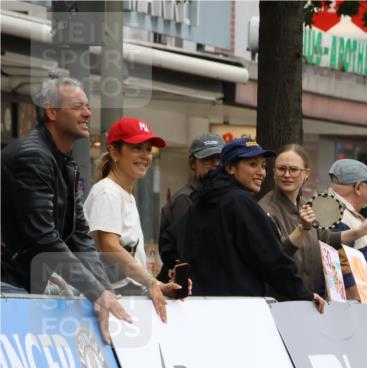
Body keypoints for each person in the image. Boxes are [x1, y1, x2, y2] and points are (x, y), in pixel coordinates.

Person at [1, 76, 131, 343]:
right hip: (7, 284)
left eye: (88, 106)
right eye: (78, 106)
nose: (88, 113)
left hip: (23, 283)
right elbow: (44, 238)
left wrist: (104, 290)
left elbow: (79, 235)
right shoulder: (33, 156)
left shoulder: (63, 161)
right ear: (51, 111)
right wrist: (97, 291)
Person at [177, 137, 324, 310]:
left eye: (263, 165)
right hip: (241, 311)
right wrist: (303, 294)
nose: (261, 172)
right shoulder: (240, 203)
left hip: (199, 308)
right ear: (231, 167)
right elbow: (272, 259)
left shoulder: (199, 203)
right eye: (252, 164)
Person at [86, 117, 183, 323]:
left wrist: (159, 285)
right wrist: (150, 283)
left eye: (148, 149)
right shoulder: (107, 192)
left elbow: (130, 262)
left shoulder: (124, 194)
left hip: (122, 305)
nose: (145, 156)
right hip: (104, 308)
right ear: (114, 152)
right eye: (137, 148)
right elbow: (109, 246)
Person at [257, 144, 367, 302]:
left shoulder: (306, 203)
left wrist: (360, 231)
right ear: (274, 172)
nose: (286, 174)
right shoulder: (265, 210)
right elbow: (274, 257)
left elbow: (326, 238)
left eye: (293, 170)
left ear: (306, 174)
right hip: (282, 304)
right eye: (281, 168)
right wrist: (302, 229)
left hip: (312, 301)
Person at [156, 132, 223, 281]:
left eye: (220, 159)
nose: (215, 165)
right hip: (183, 285)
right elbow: (191, 251)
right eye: (207, 159)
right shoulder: (186, 199)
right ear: (193, 163)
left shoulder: (218, 196)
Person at [328, 159, 367, 300]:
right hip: (361, 307)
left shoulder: (340, 211)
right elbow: (341, 265)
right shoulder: (338, 216)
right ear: (357, 188)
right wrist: (356, 302)